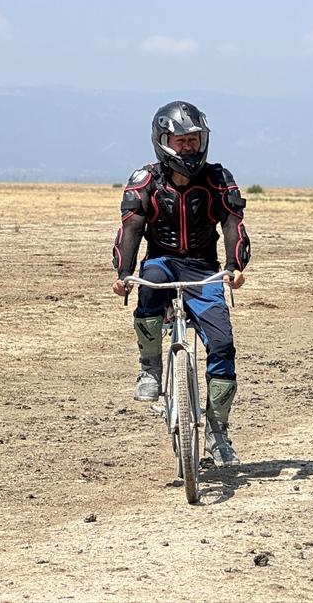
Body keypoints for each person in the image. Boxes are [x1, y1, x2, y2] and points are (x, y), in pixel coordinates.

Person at [110, 101, 251, 466]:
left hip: (204, 268)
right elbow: (131, 229)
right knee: (149, 286)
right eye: (181, 140)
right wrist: (124, 274)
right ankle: (150, 369)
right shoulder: (145, 182)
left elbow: (233, 225)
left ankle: (218, 433)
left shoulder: (218, 180)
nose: (189, 147)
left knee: (222, 344)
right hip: (161, 262)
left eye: (194, 139)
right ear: (163, 141)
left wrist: (235, 266)